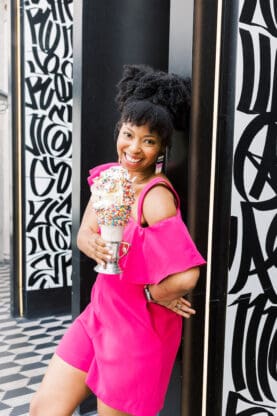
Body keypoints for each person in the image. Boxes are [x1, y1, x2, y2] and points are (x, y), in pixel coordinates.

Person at [30, 64, 206, 416]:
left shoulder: (155, 198)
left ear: (162, 149)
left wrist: (149, 294)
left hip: (136, 330)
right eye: (129, 134)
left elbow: (187, 277)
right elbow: (84, 233)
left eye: (149, 140)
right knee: (43, 409)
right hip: (99, 314)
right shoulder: (111, 179)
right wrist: (90, 243)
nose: (135, 148)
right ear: (119, 132)